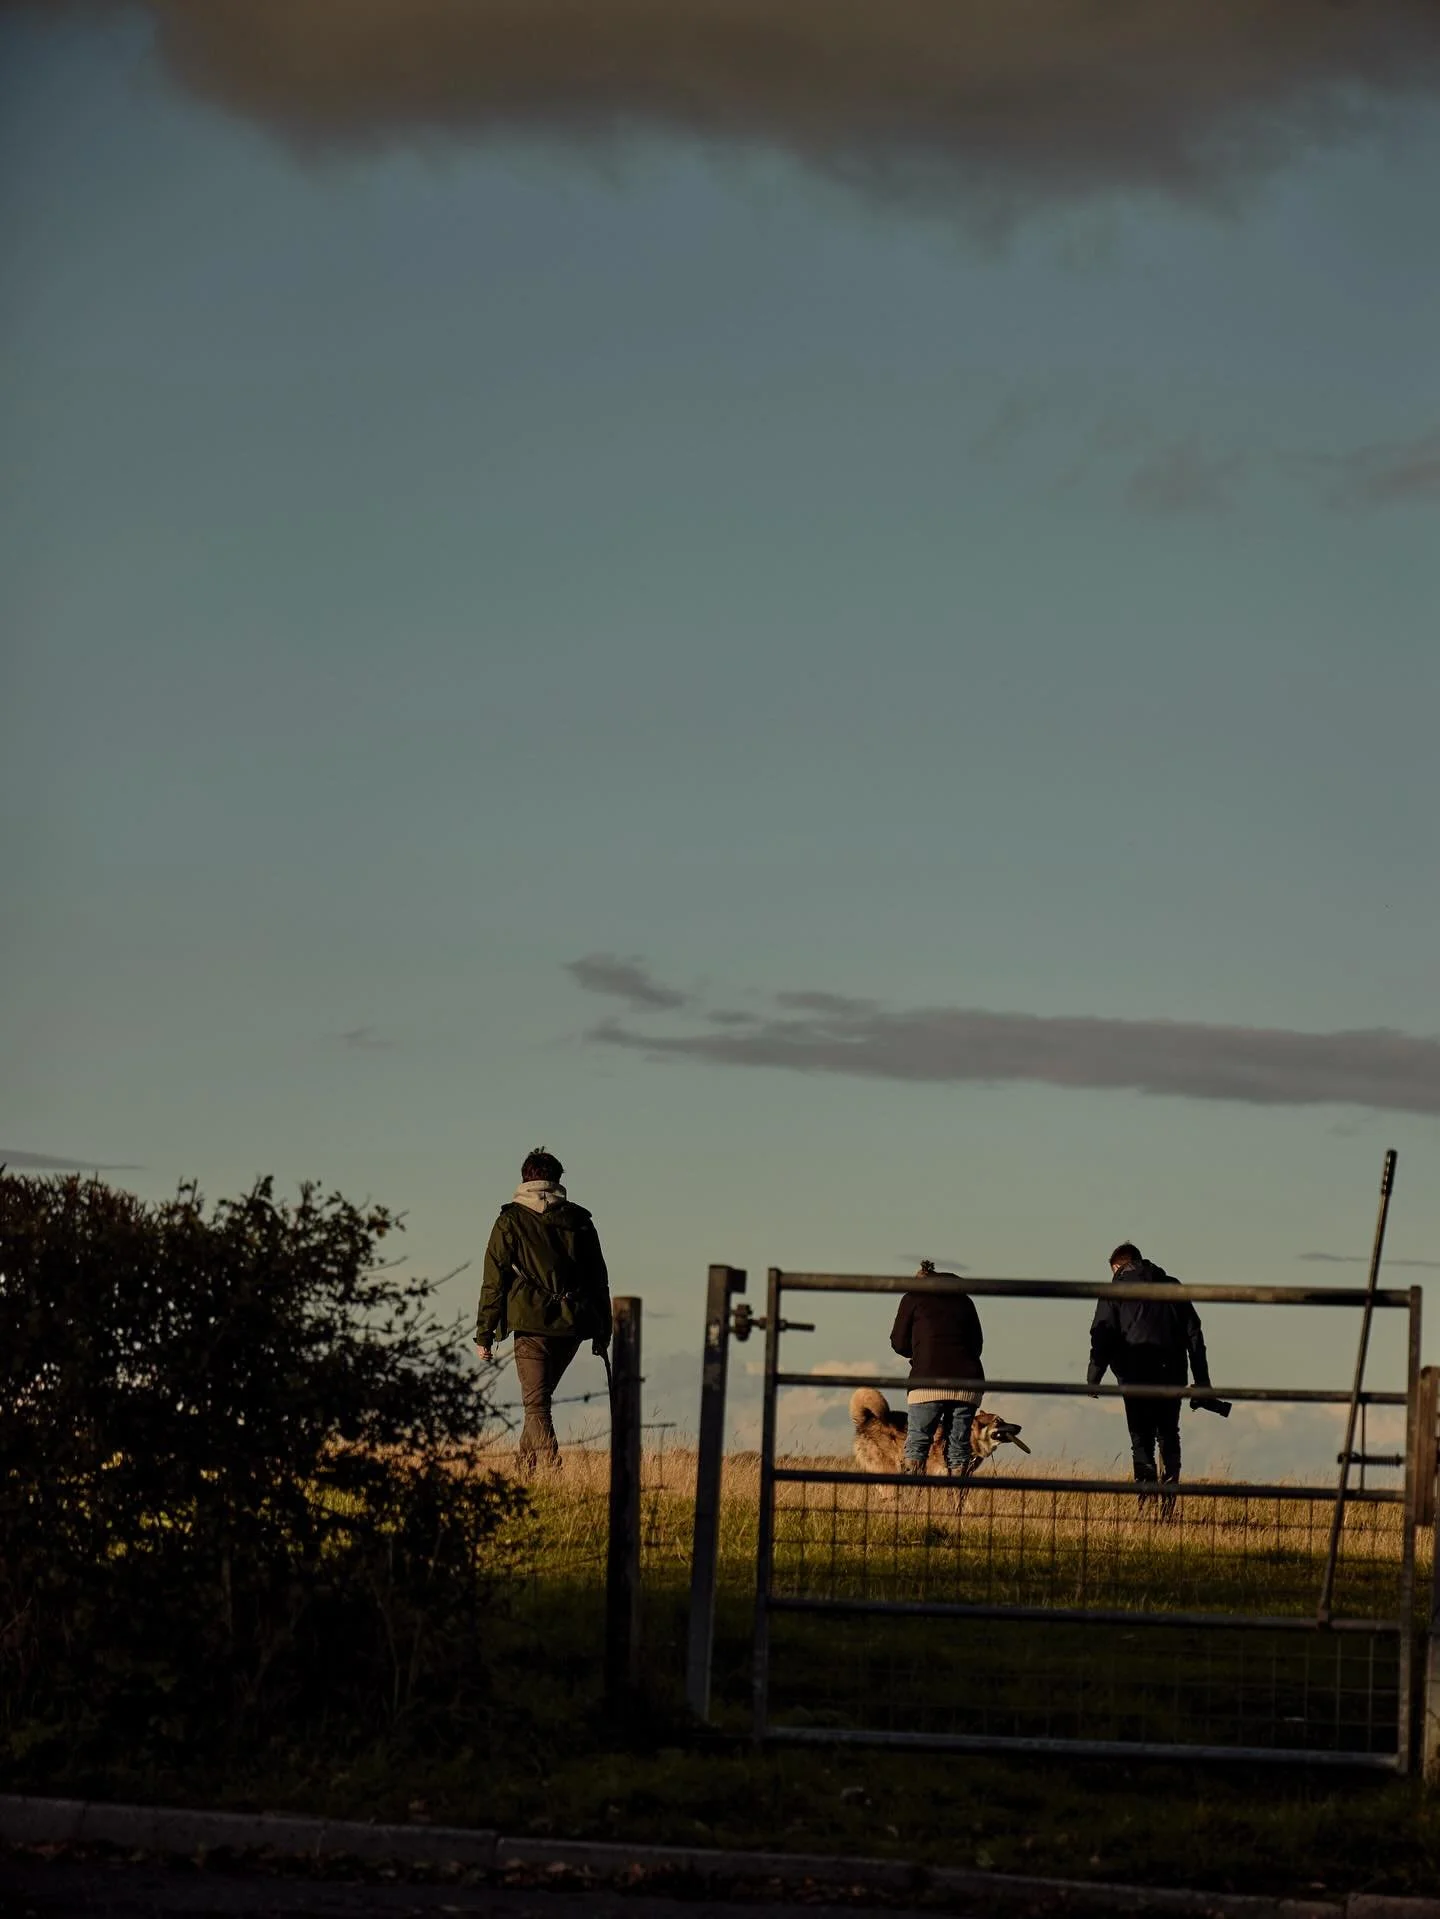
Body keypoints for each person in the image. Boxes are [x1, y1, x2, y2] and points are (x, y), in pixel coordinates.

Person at [474, 1147, 611, 1472]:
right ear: (557, 1180)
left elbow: (493, 1282)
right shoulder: (579, 1220)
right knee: (538, 1402)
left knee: (536, 1406)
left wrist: (484, 1333)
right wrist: (602, 1332)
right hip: (572, 1324)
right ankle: (525, 1471)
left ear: (525, 1179)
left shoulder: (509, 1221)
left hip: (531, 1324)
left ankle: (552, 1471)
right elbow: (599, 1279)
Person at [1087, 1240, 1213, 1511]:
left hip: (1135, 1377)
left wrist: (1093, 1378)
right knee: (1168, 1435)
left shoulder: (1114, 1291)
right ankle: (1168, 1503)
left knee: (1140, 1439)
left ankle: (1145, 1503)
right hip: (1172, 1375)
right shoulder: (1172, 1287)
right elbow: (1194, 1334)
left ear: (1118, 1266)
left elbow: (1102, 1336)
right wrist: (1202, 1380)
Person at [890, 1261, 985, 1476]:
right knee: (959, 1449)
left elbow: (898, 1342)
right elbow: (976, 1345)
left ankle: (912, 1504)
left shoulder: (912, 1298)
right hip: (968, 1383)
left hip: (927, 1381)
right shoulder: (965, 1301)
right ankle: (956, 1506)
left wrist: (920, 1354)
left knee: (917, 1443)